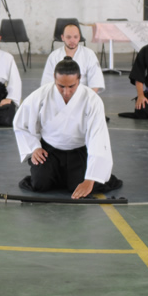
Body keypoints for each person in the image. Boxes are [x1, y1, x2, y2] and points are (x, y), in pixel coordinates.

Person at [13, 57, 122, 199]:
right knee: (39, 184)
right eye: (61, 86)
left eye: (71, 86)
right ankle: (57, 175)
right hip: (49, 150)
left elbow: (98, 138)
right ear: (54, 78)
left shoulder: (92, 100)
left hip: (78, 151)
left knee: (79, 186)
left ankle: (81, 176)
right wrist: (34, 147)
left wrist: (90, 179)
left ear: (79, 79)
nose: (66, 92)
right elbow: (21, 124)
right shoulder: (41, 95)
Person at [41, 23, 104, 93]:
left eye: (75, 37)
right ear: (62, 37)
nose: (72, 40)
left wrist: (88, 98)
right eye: (68, 37)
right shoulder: (54, 56)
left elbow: (96, 82)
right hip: (59, 95)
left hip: (83, 95)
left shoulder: (89, 54)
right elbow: (46, 84)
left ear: (79, 37)